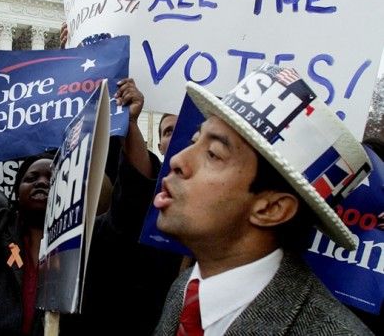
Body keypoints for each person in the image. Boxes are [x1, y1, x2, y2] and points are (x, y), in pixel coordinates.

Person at [0, 78, 181, 335]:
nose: (42, 182)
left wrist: (130, 124)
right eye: (31, 178)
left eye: (54, 178)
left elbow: (133, 200)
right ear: (15, 193)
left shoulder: (92, 237)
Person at [152, 64, 372, 335]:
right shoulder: (185, 292)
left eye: (213, 154)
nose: (177, 160)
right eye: (195, 140)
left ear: (272, 208)